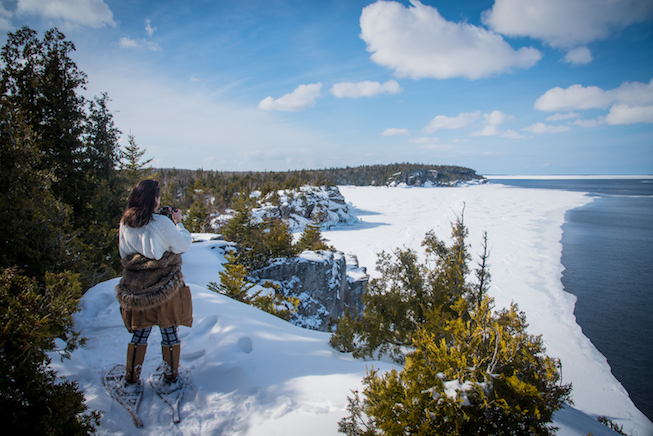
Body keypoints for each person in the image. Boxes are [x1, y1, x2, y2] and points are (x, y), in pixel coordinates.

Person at [115, 179, 193, 385]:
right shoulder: (161, 223)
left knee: (140, 333)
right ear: (154, 200)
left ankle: (131, 377)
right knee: (169, 331)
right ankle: (171, 376)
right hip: (163, 286)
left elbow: (124, 252)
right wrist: (178, 222)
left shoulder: (125, 222)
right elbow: (183, 244)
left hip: (137, 287)